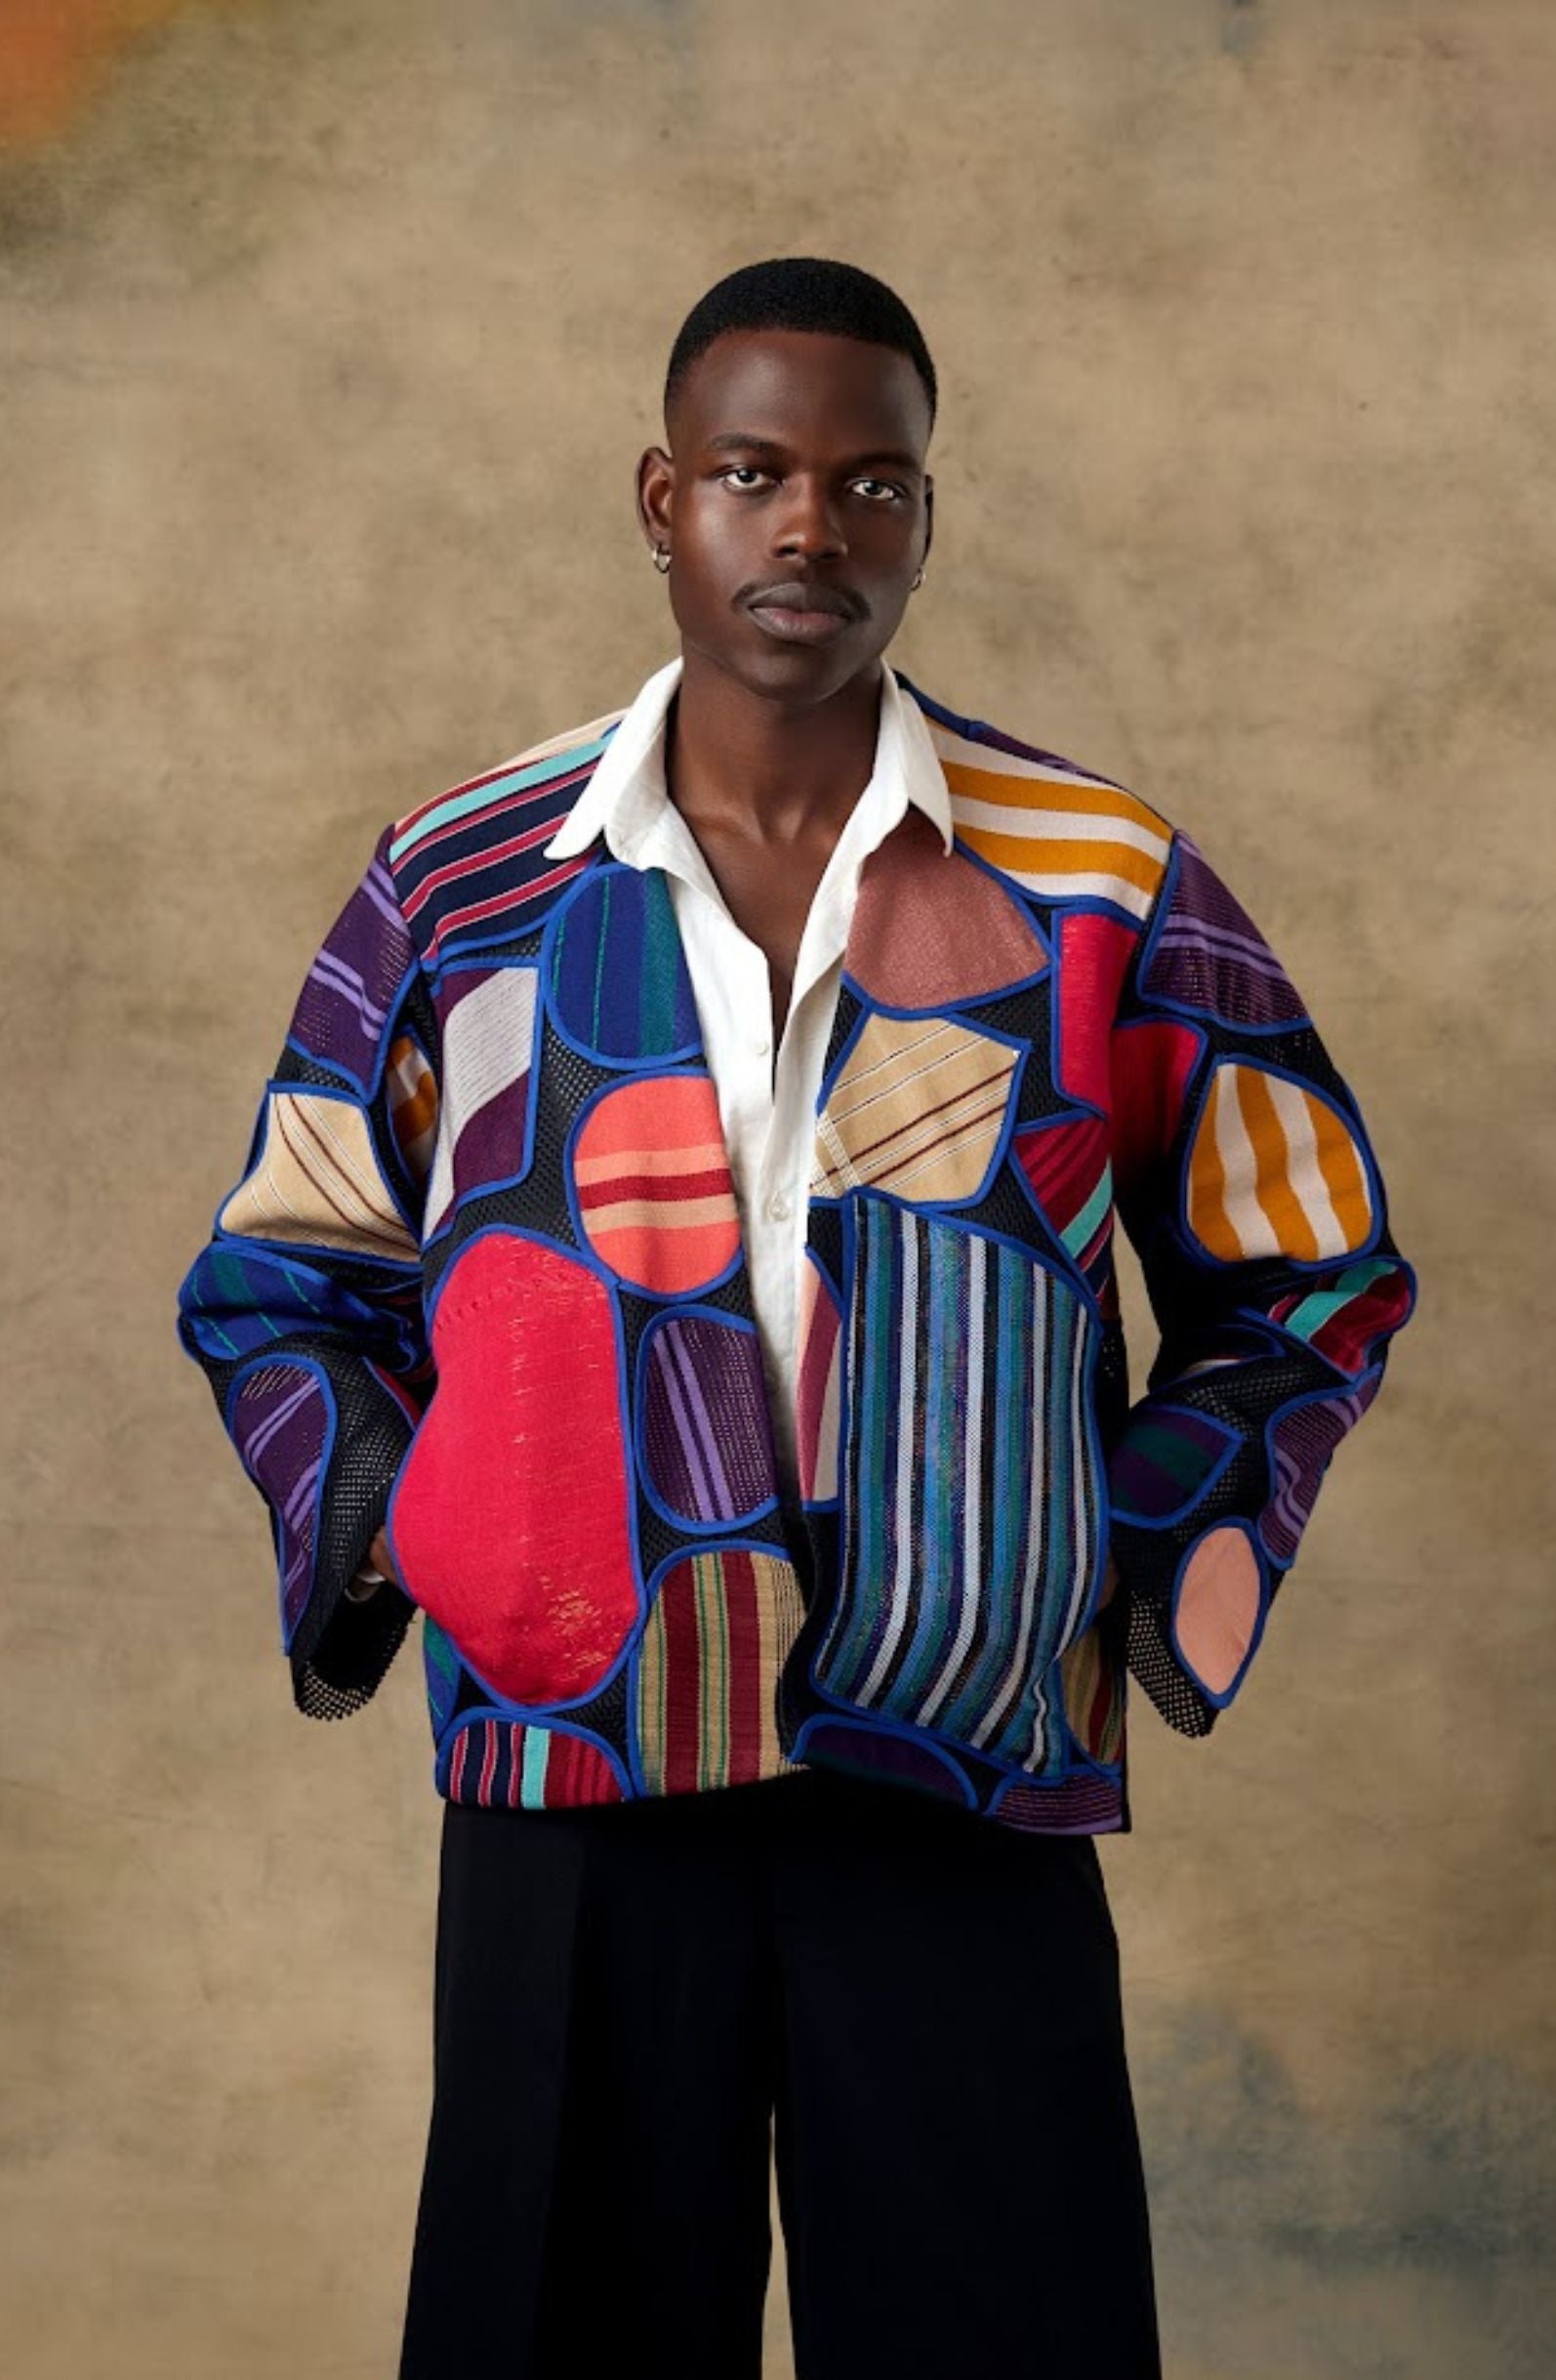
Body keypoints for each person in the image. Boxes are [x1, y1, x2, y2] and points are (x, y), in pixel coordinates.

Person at [175, 255, 1417, 2379]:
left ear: (926, 517)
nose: (811, 526)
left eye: (871, 483)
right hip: (578, 1760)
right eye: (755, 472)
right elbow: (288, 1269)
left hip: (958, 1769)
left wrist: (1106, 1549)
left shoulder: (1100, 880)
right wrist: (408, 1515)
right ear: (663, 500)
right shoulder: (463, 886)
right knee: (553, 2320)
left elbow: (1309, 1267)